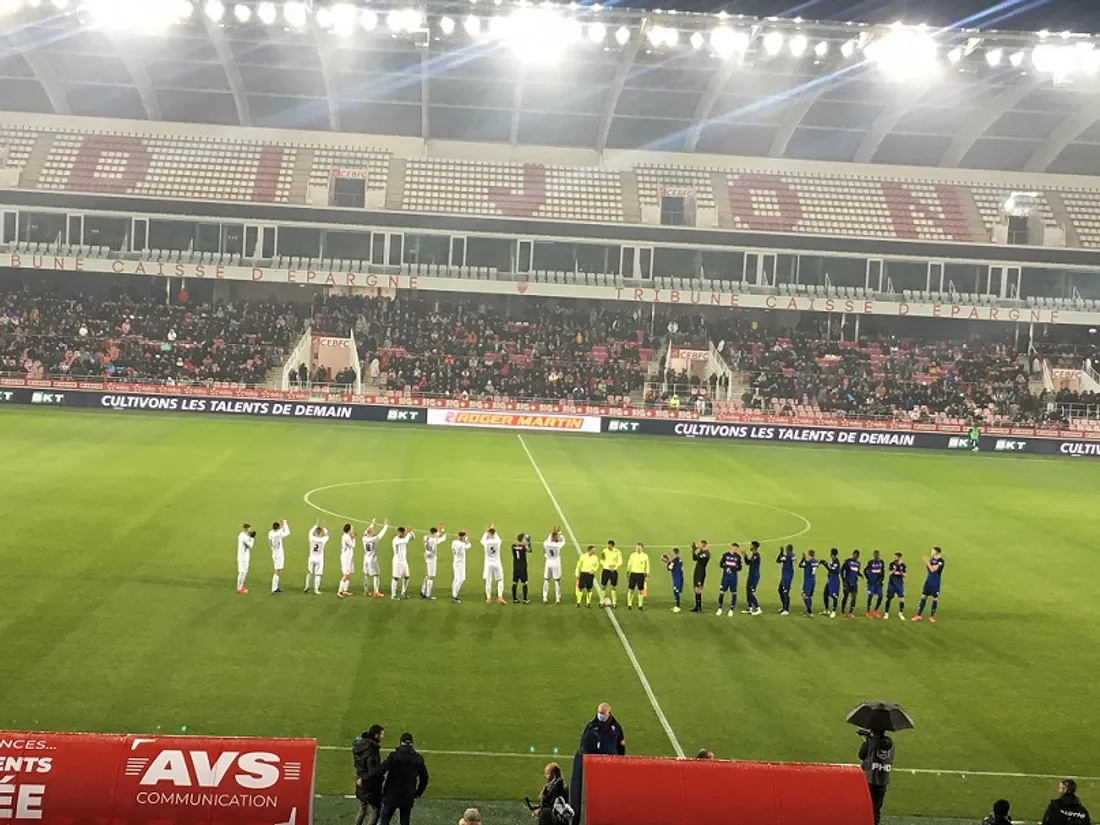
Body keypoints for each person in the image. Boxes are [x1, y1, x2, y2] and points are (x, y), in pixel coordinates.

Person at [368, 732, 429, 825]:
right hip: (407, 795)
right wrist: (418, 793)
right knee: (404, 821)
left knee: (385, 820)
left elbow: (380, 770)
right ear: (412, 743)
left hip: (391, 794)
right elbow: (424, 778)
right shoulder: (418, 758)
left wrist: (366, 778)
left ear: (401, 742)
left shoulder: (394, 756)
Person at [858, 729, 894, 825]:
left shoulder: (870, 745)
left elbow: (861, 755)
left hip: (869, 781)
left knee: (865, 807)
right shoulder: (890, 746)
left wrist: (867, 740)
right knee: (876, 809)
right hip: (882, 782)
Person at [353, 725, 385, 825]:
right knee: (375, 812)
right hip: (369, 785)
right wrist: (381, 777)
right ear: (376, 735)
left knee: (363, 808)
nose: (382, 737)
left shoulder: (359, 746)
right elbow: (373, 771)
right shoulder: (372, 750)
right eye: (381, 734)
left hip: (360, 780)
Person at [912, 546, 945, 623]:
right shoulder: (932, 559)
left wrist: (927, 562)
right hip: (928, 581)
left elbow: (933, 569)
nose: (931, 552)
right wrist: (927, 563)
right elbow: (928, 569)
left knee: (934, 598)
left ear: (936, 552)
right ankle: (918, 615)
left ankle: (932, 617)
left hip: (935, 582)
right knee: (923, 596)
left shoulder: (941, 561)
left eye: (932, 551)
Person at [363, 519, 388, 598]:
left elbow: (366, 531)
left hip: (365, 559)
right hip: (372, 560)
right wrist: (385, 526)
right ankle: (376, 592)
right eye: (373, 531)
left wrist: (372, 524)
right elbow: (380, 535)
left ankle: (366, 590)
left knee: (366, 575)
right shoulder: (373, 539)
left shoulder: (364, 538)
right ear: (371, 533)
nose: (374, 531)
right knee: (376, 575)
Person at [420, 524, 446, 600]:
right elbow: (443, 538)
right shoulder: (434, 540)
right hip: (432, 558)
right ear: (434, 533)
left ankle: (422, 591)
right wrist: (442, 531)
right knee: (431, 576)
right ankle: (428, 594)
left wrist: (439, 530)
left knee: (428, 575)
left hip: (427, 556)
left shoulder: (426, 537)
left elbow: (435, 536)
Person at [716, 543, 742, 616]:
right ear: (731, 547)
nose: (736, 550)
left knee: (733, 593)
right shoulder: (725, 555)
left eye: (737, 549)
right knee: (722, 592)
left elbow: (740, 568)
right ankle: (720, 608)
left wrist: (733, 569)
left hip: (733, 578)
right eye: (735, 548)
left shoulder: (738, 557)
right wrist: (726, 568)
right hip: (725, 578)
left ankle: (731, 609)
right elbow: (721, 564)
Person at [482, 525, 505, 604]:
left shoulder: (486, 542)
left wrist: (486, 531)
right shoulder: (498, 542)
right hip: (497, 562)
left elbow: (482, 540)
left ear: (489, 533)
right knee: (500, 579)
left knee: (488, 580)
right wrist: (492, 531)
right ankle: (500, 596)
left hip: (488, 564)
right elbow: (497, 537)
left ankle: (488, 598)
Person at [391, 526, 415, 601]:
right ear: (399, 533)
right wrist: (408, 533)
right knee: (396, 577)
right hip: (397, 561)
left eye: (404, 533)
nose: (404, 534)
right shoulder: (395, 540)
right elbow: (406, 541)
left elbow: (413, 537)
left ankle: (403, 592)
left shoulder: (404, 538)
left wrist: (410, 532)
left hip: (404, 561)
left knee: (407, 576)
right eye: (403, 533)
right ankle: (393, 595)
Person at [305, 522, 329, 595]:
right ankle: (316, 589)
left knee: (309, 572)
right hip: (319, 559)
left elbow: (310, 532)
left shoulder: (311, 538)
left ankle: (306, 586)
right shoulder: (323, 540)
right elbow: (328, 535)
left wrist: (314, 525)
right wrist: (324, 528)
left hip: (311, 558)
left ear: (315, 532)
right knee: (318, 574)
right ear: (321, 533)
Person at [542, 527, 565, 604]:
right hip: (556, 563)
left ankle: (545, 597)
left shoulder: (546, 543)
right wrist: (560, 534)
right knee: (557, 580)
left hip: (548, 562)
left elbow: (548, 539)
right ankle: (557, 598)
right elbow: (563, 541)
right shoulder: (558, 545)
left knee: (546, 579)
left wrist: (554, 533)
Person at [625, 542, 649, 610]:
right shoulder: (632, 555)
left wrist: (647, 575)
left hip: (641, 574)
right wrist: (627, 572)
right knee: (631, 590)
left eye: (639, 548)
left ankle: (640, 605)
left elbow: (647, 566)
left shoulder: (645, 556)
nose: (638, 549)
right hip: (633, 574)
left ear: (642, 548)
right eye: (637, 547)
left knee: (641, 590)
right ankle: (629, 605)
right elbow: (629, 564)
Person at [268, 518, 289, 595]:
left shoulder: (270, 533)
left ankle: (275, 587)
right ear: (278, 528)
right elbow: (287, 532)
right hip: (279, 554)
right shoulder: (278, 534)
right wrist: (285, 523)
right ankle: (274, 588)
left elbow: (279, 531)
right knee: (277, 570)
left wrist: (282, 526)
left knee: (278, 569)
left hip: (274, 552)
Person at [599, 540, 622, 609]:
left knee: (613, 587)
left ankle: (614, 603)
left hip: (613, 571)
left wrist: (614, 566)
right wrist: (607, 566)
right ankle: (601, 602)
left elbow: (620, 561)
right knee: (603, 586)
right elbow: (601, 560)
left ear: (613, 546)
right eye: (607, 545)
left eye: (609, 546)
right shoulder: (604, 551)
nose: (608, 547)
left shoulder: (617, 552)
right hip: (605, 570)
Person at [690, 540, 711, 613]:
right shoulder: (701, 552)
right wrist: (693, 551)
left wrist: (696, 549)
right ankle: (697, 606)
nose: (698, 545)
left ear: (704, 545)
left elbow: (699, 557)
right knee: (695, 589)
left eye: (700, 544)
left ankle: (699, 607)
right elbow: (694, 558)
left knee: (698, 589)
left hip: (701, 572)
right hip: (697, 571)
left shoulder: (706, 553)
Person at [884, 552, 906, 620]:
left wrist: (901, 571)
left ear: (899, 557)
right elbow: (889, 573)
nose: (894, 558)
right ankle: (886, 613)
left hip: (899, 584)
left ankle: (900, 613)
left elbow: (905, 576)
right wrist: (894, 569)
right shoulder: (892, 564)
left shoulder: (903, 565)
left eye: (896, 557)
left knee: (902, 599)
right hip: (892, 584)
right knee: (889, 598)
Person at [511, 532, 532, 604]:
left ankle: (514, 599)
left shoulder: (513, 546)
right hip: (523, 567)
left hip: (516, 566)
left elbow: (517, 547)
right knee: (524, 583)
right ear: (522, 539)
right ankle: (525, 599)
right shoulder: (524, 547)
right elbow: (530, 550)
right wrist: (529, 542)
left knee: (514, 583)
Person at [451, 530, 471, 602]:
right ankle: (454, 596)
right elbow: (469, 545)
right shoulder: (462, 544)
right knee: (461, 579)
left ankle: (453, 593)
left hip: (455, 562)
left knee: (456, 578)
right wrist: (467, 537)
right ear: (463, 537)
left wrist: (464, 537)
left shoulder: (454, 542)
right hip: (460, 564)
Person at [841, 549, 863, 618]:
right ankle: (842, 611)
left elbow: (856, 572)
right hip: (847, 582)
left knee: (854, 598)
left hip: (854, 583)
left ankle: (851, 612)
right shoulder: (847, 561)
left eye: (857, 556)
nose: (856, 557)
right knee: (846, 597)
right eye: (855, 555)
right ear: (853, 554)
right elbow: (842, 571)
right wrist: (843, 581)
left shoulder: (858, 563)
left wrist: (860, 575)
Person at [743, 540, 762, 616]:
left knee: (751, 592)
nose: (750, 547)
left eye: (751, 545)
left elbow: (749, 562)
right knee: (747, 591)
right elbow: (747, 563)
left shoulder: (756, 555)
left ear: (754, 547)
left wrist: (745, 556)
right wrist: (745, 556)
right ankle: (750, 607)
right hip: (751, 575)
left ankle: (758, 608)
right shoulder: (753, 555)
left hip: (754, 576)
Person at [339, 523, 358, 599]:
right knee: (346, 574)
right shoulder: (346, 537)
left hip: (349, 557)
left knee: (348, 574)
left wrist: (352, 537)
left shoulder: (346, 536)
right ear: (349, 529)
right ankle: (340, 590)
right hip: (346, 558)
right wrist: (354, 538)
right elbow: (353, 545)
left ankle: (345, 590)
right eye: (352, 528)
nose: (353, 529)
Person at [864, 550, 886, 618]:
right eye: (875, 555)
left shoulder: (881, 562)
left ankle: (875, 610)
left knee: (880, 596)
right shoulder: (870, 562)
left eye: (877, 555)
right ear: (873, 555)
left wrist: (881, 580)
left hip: (878, 583)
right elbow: (865, 571)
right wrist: (868, 578)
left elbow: (882, 572)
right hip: (871, 583)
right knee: (870, 595)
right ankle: (868, 611)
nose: (876, 556)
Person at [236, 522, 256, 594]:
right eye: (249, 529)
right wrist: (252, 538)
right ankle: (239, 589)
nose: (250, 530)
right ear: (246, 529)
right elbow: (250, 546)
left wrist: (250, 537)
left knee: (244, 572)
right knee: (242, 572)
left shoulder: (242, 535)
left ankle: (241, 586)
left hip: (244, 556)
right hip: (243, 557)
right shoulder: (244, 537)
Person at [799, 549, 819, 617]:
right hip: (813, 580)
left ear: (809, 554)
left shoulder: (808, 562)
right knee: (809, 596)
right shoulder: (816, 561)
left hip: (808, 582)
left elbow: (800, 565)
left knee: (804, 596)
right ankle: (808, 610)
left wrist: (803, 558)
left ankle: (809, 612)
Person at [664, 547, 684, 613]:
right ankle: (677, 606)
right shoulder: (680, 560)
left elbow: (669, 568)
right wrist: (669, 562)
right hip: (680, 578)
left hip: (677, 579)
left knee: (676, 592)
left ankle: (677, 606)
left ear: (674, 553)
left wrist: (667, 562)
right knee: (676, 592)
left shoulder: (674, 561)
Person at [776, 544, 795, 616]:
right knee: (780, 590)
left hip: (787, 577)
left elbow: (778, 560)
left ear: (788, 550)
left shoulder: (788, 557)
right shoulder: (792, 555)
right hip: (787, 576)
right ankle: (784, 606)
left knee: (785, 592)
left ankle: (786, 609)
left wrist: (781, 552)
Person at [823, 548, 841, 618]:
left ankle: (833, 611)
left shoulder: (836, 562)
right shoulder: (832, 561)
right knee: (825, 594)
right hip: (830, 580)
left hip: (834, 581)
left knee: (834, 596)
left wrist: (825, 565)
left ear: (832, 554)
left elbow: (833, 571)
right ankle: (826, 609)